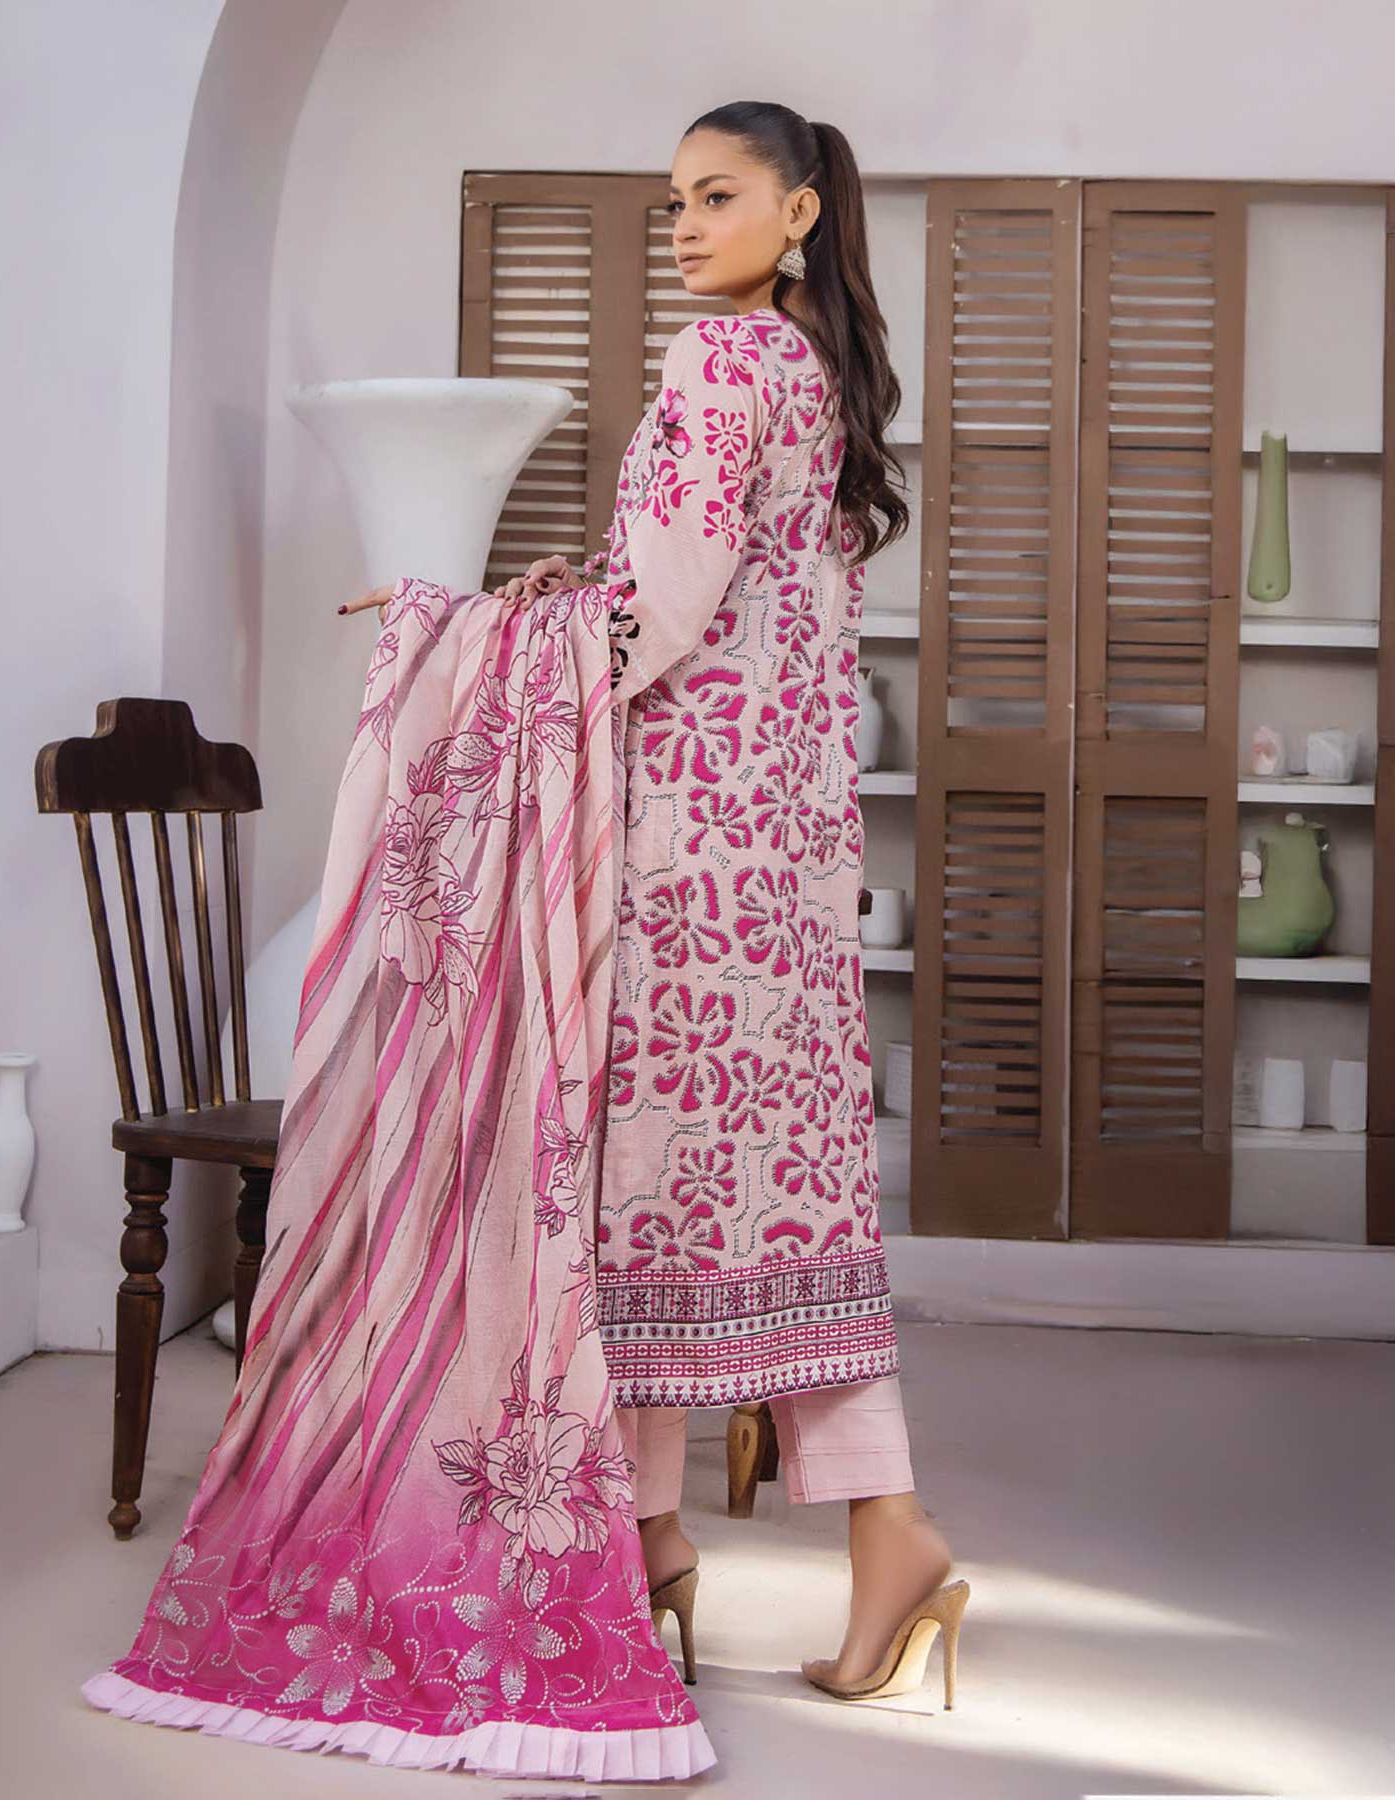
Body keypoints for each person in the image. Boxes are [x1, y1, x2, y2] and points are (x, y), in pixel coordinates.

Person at [355, 101, 968, 1707]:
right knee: (771, 1207)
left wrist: (457, 632)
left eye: (718, 196)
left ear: (801, 210)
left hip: (688, 848)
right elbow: (714, 591)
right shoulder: (815, 374)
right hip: (788, 862)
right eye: (675, 201)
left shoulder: (718, 361)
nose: (686, 226)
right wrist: (578, 591)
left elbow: (668, 616)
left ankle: (654, 1541)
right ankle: (830, 1534)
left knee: (638, 1186)